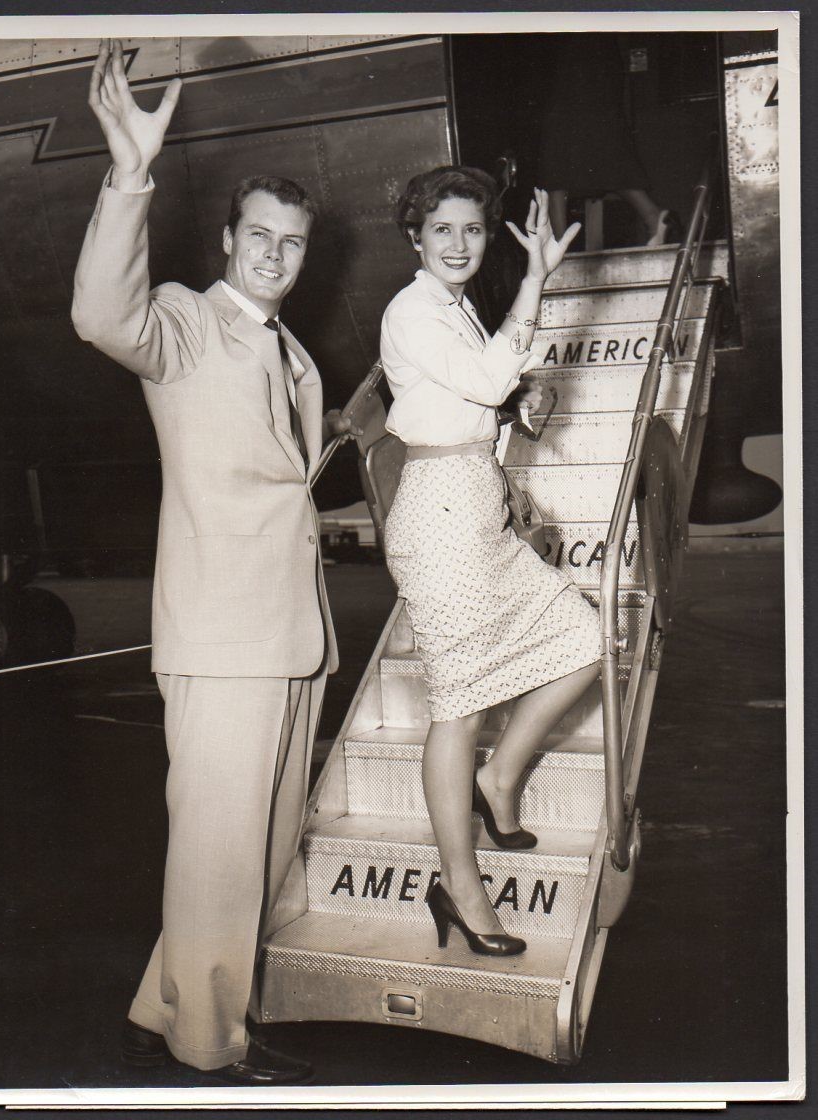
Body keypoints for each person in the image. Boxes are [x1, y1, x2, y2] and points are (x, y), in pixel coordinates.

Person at [71, 40, 351, 1085]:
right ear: (228, 239)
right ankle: (209, 1044)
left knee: (261, 848)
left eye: (294, 243)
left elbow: (283, 484)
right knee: (220, 852)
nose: (275, 255)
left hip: (289, 633)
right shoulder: (188, 322)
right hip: (224, 634)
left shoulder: (293, 354)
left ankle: (169, 1002)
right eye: (260, 237)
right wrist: (130, 174)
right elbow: (103, 316)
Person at [380, 167, 601, 956]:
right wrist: (536, 284)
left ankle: (498, 780)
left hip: (475, 499)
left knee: (581, 642)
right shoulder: (411, 309)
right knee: (459, 706)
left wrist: (506, 465)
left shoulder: (457, 308)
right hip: (438, 522)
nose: (459, 243)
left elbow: (472, 404)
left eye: (473, 229)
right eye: (442, 228)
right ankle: (460, 889)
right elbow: (480, 380)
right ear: (416, 236)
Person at [537, 33, 678, 247]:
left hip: (578, 58)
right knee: (580, 148)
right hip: (588, 57)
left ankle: (558, 244)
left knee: (559, 149)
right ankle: (652, 216)